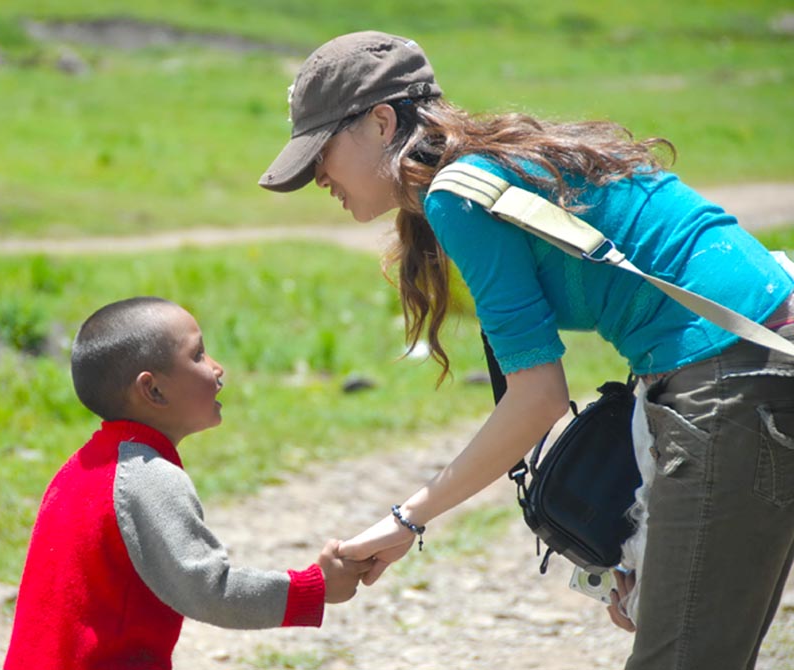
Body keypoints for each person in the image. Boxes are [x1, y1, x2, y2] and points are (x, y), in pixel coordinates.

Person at [258, 30, 794, 670]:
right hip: (756, 363)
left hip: (736, 380)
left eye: (320, 151)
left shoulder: (458, 197)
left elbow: (537, 399)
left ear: (380, 123)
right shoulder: (493, 168)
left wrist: (406, 520)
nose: (317, 175)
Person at [4, 296, 369, 670]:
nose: (217, 369)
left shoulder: (80, 469)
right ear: (154, 390)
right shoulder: (146, 478)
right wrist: (315, 587)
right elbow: (209, 591)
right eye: (198, 355)